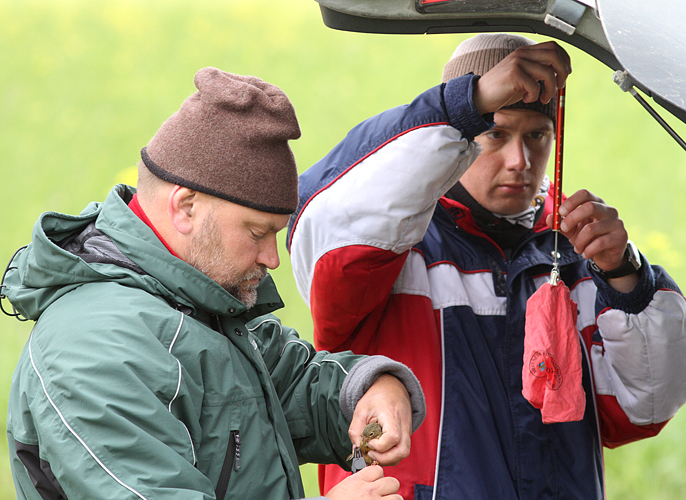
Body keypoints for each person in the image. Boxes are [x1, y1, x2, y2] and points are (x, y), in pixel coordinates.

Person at [286, 34, 686, 500]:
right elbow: (323, 215)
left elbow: (645, 407)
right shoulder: (392, 246)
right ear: (461, 133)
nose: (519, 161)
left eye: (537, 136)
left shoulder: (582, 253)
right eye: (496, 134)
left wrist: (626, 276)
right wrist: (469, 100)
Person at [2, 67, 428, 500]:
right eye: (257, 232)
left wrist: (371, 388)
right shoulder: (95, 350)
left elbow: (290, 383)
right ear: (186, 207)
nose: (272, 258)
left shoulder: (195, 303)